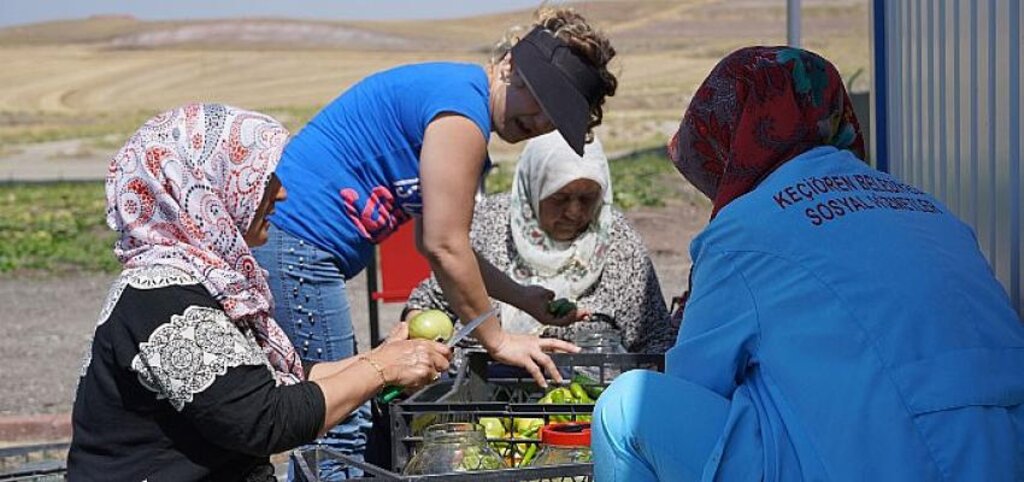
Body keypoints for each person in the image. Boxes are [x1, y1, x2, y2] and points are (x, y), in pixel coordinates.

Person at [592, 47, 1024, 481]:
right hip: (1004, 454)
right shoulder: (926, 207)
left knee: (628, 408)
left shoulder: (744, 230)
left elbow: (694, 384)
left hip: (884, 460)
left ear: (727, 137)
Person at [250, 7, 617, 474]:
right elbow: (445, 247)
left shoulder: (460, 104)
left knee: (335, 407)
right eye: (537, 95)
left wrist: (521, 297)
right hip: (298, 243)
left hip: (295, 247)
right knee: (340, 413)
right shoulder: (461, 111)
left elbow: (439, 242)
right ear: (509, 64)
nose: (541, 118)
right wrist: (498, 340)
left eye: (557, 115)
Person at [69, 104, 451, 481]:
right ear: (206, 188)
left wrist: (384, 358)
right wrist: (381, 370)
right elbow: (263, 420)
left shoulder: (211, 281)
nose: (281, 194)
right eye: (262, 179)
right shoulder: (162, 295)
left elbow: (277, 382)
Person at [404, 131, 676, 355]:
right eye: (559, 198)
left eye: (587, 199)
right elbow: (429, 300)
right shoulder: (490, 222)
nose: (574, 212)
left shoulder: (619, 241)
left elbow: (654, 337)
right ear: (532, 188)